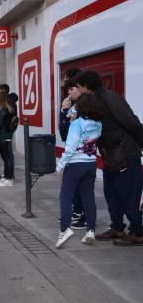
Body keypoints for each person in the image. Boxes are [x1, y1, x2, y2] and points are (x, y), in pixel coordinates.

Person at [75, 71, 143, 246]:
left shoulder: (111, 99)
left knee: (129, 194)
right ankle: (117, 227)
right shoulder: (93, 100)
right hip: (111, 155)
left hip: (124, 154)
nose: (78, 90)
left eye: (79, 86)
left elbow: (132, 122)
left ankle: (137, 231)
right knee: (111, 194)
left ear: (86, 86)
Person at [55, 94, 103, 248]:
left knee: (66, 196)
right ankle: (90, 230)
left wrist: (60, 166)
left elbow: (69, 149)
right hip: (90, 164)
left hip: (75, 164)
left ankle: (64, 230)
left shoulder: (76, 125)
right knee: (88, 197)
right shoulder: (98, 124)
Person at [61, 79, 88, 230]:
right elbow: (63, 131)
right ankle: (78, 213)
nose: (69, 93)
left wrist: (65, 112)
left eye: (72, 89)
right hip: (79, 153)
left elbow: (68, 131)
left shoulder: (81, 107)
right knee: (77, 186)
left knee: (81, 186)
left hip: (80, 154)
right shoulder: (75, 106)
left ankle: (82, 216)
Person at [0, 84, 18, 180]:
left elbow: (10, 116)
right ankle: (8, 173)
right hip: (8, 130)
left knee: (8, 153)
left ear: (3, 91)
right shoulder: (10, 101)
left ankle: (10, 173)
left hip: (6, 131)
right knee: (8, 153)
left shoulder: (9, 101)